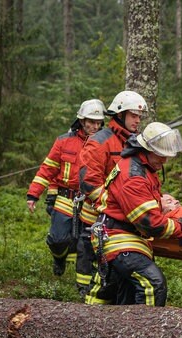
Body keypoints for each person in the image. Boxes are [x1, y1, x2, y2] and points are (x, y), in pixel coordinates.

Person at [91, 122, 182, 306]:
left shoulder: (142, 167)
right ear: (147, 149)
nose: (164, 161)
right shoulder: (134, 176)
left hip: (124, 235)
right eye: (161, 155)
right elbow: (150, 223)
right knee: (153, 285)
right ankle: (146, 333)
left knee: (124, 296)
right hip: (119, 239)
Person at [26, 99, 105, 293]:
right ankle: (59, 257)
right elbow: (48, 168)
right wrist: (33, 194)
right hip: (65, 198)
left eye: (98, 122)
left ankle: (83, 286)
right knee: (58, 239)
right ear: (81, 120)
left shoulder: (105, 143)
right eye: (91, 122)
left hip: (90, 201)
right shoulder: (63, 141)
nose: (95, 126)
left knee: (85, 244)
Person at [79, 90, 146, 304]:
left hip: (127, 220)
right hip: (101, 219)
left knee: (122, 276)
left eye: (139, 116)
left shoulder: (134, 143)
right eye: (133, 115)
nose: (138, 120)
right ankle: (92, 312)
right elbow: (89, 182)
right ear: (119, 115)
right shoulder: (100, 141)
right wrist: (114, 205)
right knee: (107, 275)